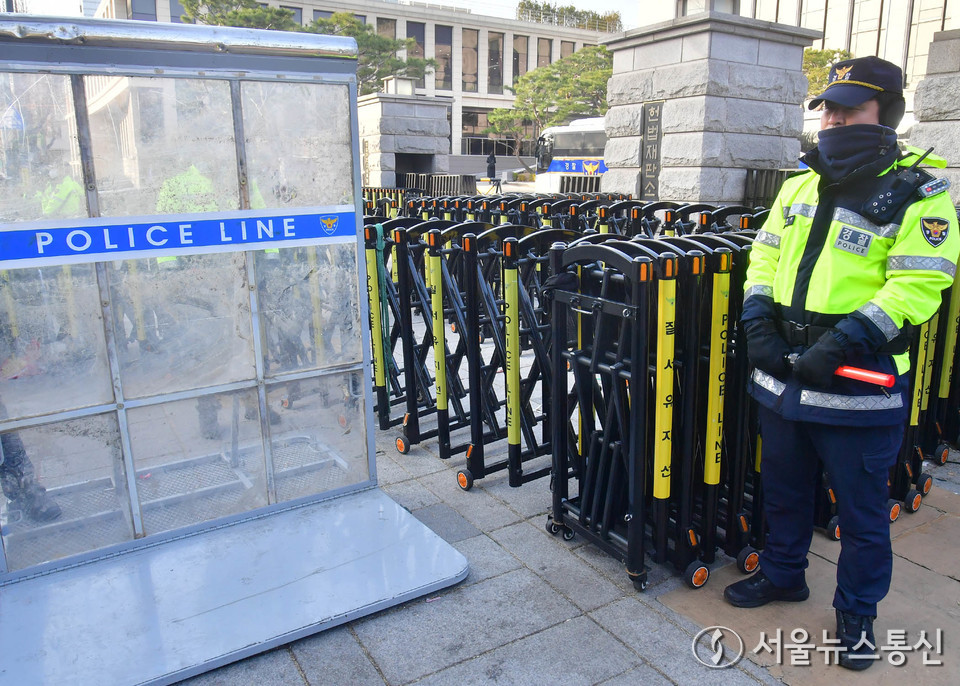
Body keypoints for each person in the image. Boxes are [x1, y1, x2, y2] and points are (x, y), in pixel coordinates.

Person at [724, 56, 960, 671]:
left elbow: (919, 285)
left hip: (858, 383)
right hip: (783, 380)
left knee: (859, 512)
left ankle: (857, 612)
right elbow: (765, 258)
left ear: (887, 113)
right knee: (783, 490)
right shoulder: (801, 183)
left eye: (849, 108)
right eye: (828, 107)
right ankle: (782, 575)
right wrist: (756, 322)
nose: (833, 118)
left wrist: (845, 340)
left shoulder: (921, 190)